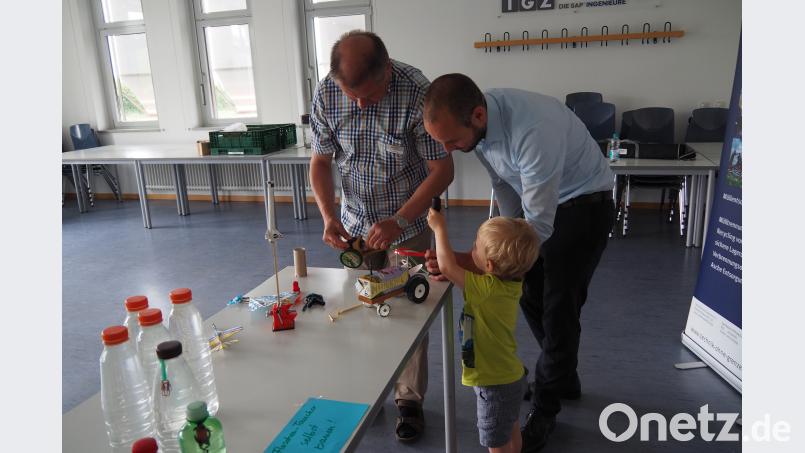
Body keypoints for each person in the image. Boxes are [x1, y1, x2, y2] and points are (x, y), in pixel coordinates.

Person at [422, 74, 615, 452]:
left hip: (582, 208)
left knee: (560, 310)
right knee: (529, 296)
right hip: (541, 210)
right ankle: (562, 375)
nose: (447, 150)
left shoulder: (533, 130)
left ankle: (545, 408)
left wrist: (482, 262)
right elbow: (504, 186)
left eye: (451, 141)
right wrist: (499, 242)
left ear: (477, 115)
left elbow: (536, 227)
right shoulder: (475, 129)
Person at [308, 30, 454, 442]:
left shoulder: (416, 93)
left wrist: (400, 218)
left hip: (409, 224)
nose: (358, 104)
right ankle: (368, 389)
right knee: (361, 304)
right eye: (350, 95)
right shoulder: (327, 94)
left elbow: (442, 170)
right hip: (355, 223)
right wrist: (328, 214)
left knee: (408, 309)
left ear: (387, 70)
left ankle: (408, 399)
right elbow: (319, 161)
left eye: (368, 97)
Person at [428, 209, 539, 453]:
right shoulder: (510, 283)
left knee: (496, 445)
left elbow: (447, 266)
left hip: (494, 383)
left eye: (475, 248)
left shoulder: (485, 289)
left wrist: (439, 229)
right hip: (509, 375)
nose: (471, 251)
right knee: (510, 429)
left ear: (489, 265)